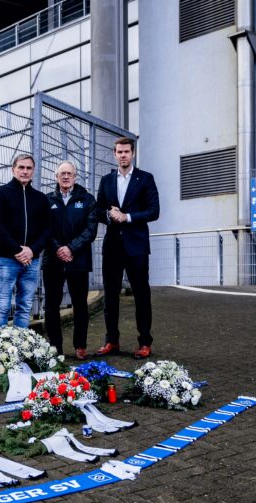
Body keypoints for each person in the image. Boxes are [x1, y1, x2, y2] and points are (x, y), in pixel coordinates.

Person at [95, 136, 160, 359]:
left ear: (133, 154)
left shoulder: (145, 179)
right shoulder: (106, 181)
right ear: (114, 154)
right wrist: (109, 215)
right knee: (110, 296)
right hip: (112, 246)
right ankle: (112, 341)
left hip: (137, 246)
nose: (123, 155)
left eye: (126, 152)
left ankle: (144, 342)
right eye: (119, 152)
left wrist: (128, 216)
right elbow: (97, 210)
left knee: (141, 295)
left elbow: (154, 211)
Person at [43, 161, 98, 360]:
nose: (66, 177)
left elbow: (90, 230)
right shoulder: (47, 200)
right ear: (56, 176)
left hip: (79, 260)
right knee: (51, 306)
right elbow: (45, 230)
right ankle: (55, 347)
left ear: (75, 176)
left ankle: (80, 346)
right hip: (53, 260)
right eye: (62, 173)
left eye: (69, 173)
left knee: (80, 305)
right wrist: (58, 248)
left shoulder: (87, 199)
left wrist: (71, 248)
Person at [0, 154, 51, 329]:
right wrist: (17, 249)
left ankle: (20, 350)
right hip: (7, 259)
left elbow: (47, 229)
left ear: (33, 171)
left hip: (32, 260)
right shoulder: (0, 193)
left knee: (24, 308)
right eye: (21, 167)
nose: (25, 171)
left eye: (28, 168)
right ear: (13, 169)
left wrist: (32, 250)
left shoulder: (40, 198)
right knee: (1, 307)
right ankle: (0, 352)